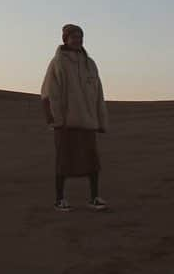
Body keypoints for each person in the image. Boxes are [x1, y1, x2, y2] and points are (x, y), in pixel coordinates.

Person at [40, 23, 110, 212]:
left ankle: (94, 197)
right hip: (65, 122)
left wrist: (101, 121)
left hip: (88, 121)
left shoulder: (91, 64)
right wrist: (54, 119)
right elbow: (48, 92)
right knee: (64, 161)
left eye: (80, 37)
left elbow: (98, 93)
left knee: (92, 161)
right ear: (66, 39)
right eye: (74, 37)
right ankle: (59, 199)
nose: (78, 40)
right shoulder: (58, 63)